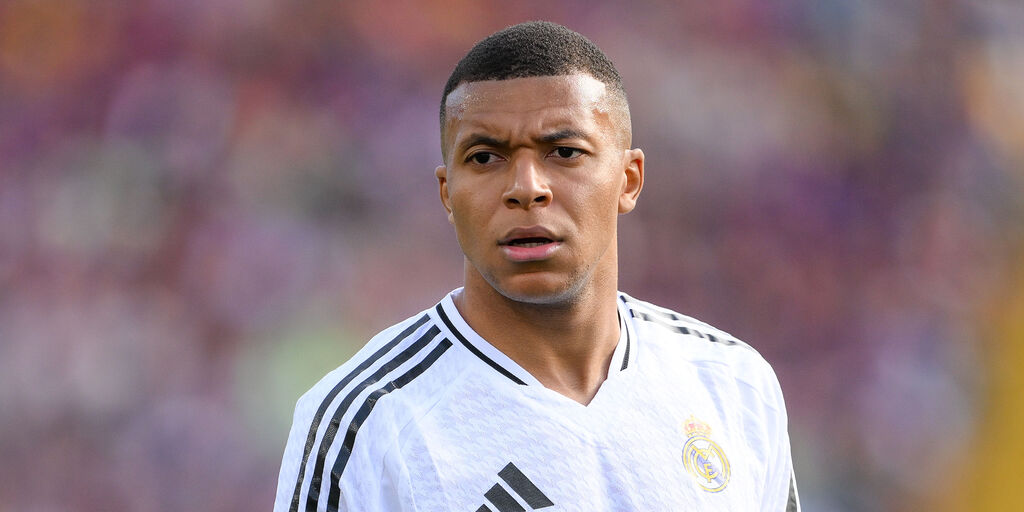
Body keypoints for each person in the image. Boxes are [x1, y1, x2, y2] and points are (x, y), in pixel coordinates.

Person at [275, 21, 800, 512]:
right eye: (485, 157)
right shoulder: (366, 423)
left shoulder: (732, 382)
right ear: (447, 194)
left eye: (564, 152)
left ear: (629, 179)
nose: (527, 188)